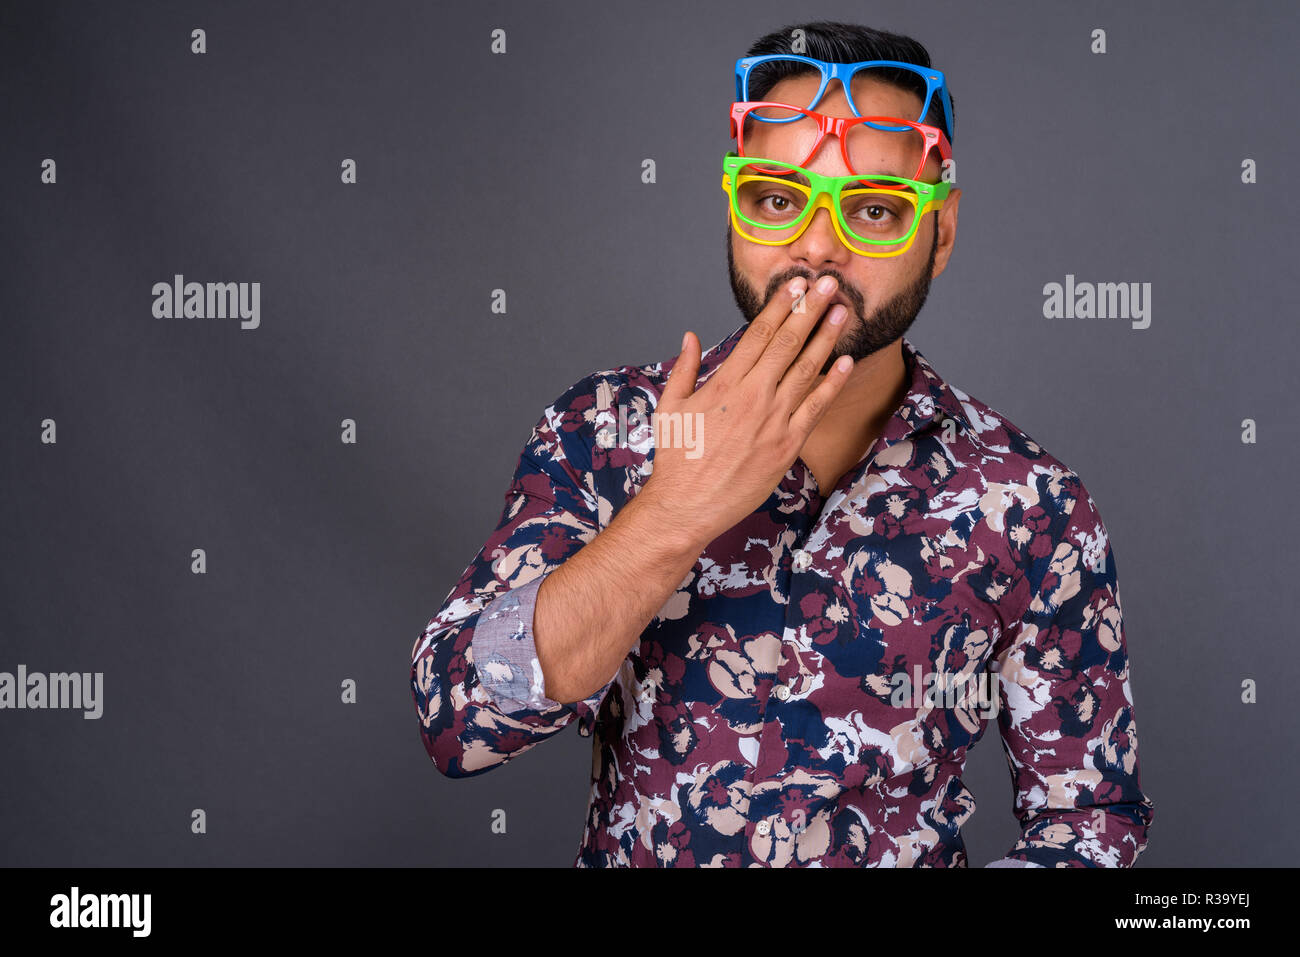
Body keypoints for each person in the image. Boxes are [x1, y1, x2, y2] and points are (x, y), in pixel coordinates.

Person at [411, 20, 1153, 867]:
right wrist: (673, 512)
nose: (817, 246)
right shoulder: (604, 433)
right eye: (776, 198)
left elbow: (1090, 820)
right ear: (735, 208)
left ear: (939, 234)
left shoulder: (1032, 506)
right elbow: (457, 724)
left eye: (874, 208)